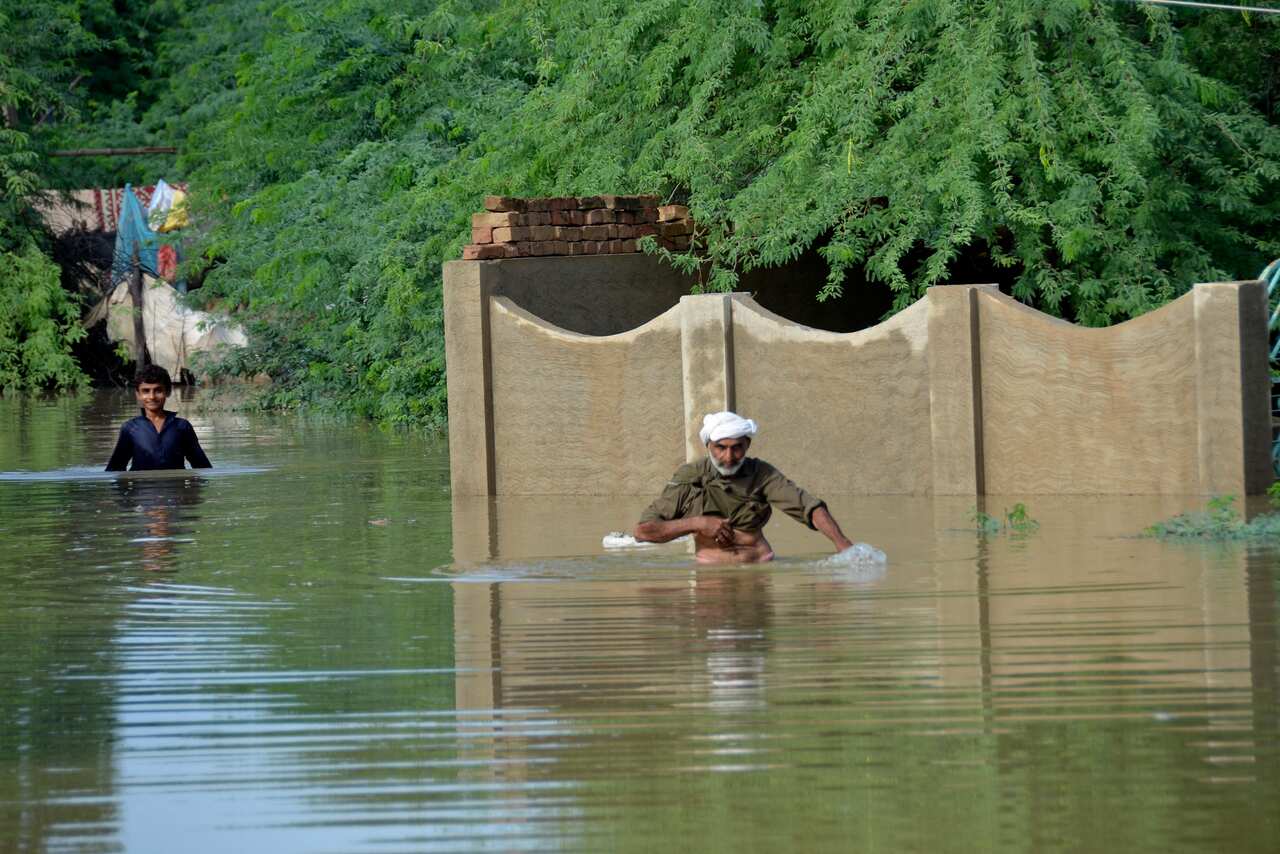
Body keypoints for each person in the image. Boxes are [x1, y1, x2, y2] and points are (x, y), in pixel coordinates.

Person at [634, 411, 854, 563]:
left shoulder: (762, 473)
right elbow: (643, 531)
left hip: (759, 565)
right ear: (708, 445)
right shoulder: (689, 476)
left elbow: (809, 507)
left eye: (737, 448)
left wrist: (843, 545)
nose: (729, 456)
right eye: (720, 448)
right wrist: (697, 523)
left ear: (747, 445)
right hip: (711, 575)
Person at [105, 365, 212, 471]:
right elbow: (115, 469)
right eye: (146, 391)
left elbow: (202, 467)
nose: (152, 397)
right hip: (141, 486)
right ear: (138, 394)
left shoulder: (181, 427)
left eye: (158, 390)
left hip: (175, 487)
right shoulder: (130, 428)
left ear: (168, 391)